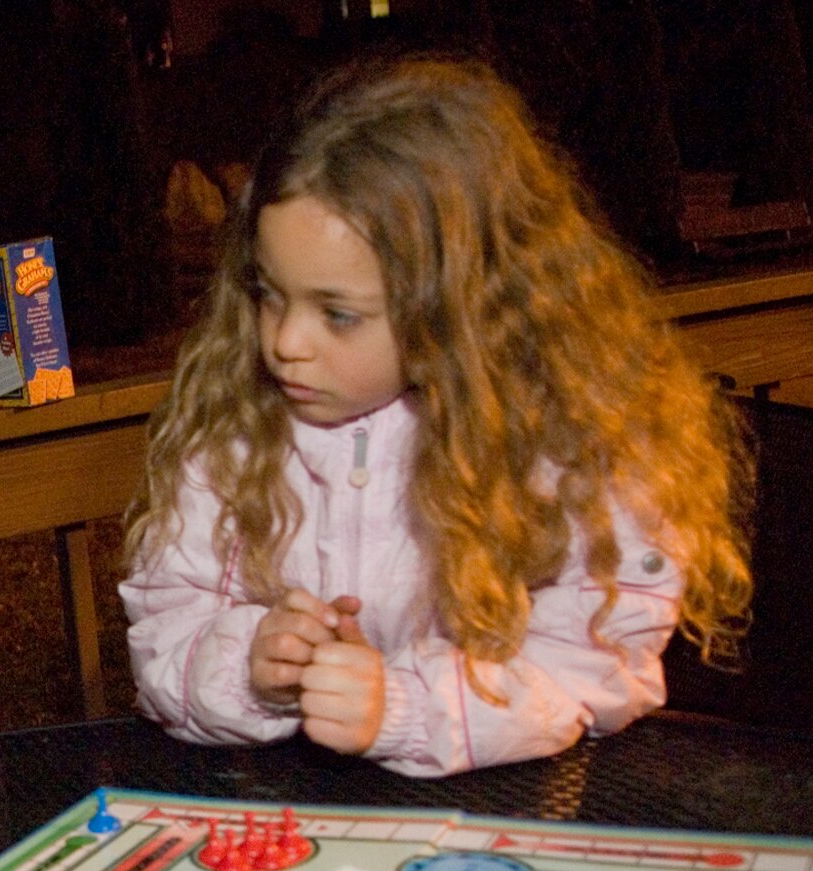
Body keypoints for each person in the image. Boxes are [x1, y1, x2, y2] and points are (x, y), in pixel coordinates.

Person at [120, 58, 752, 778]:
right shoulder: (236, 428)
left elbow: (592, 667)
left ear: (456, 306)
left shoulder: (573, 440)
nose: (285, 343)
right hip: (302, 826)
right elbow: (169, 626)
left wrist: (404, 708)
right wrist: (247, 668)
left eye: (337, 313)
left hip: (512, 813)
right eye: (269, 294)